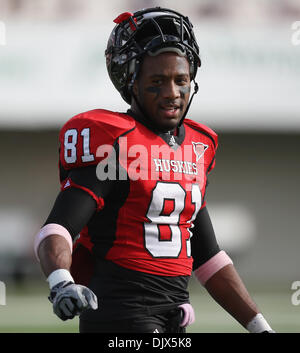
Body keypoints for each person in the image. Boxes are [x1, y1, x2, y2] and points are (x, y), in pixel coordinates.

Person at [34, 7, 274, 333]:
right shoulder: (115, 142)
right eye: (157, 81)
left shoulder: (197, 146)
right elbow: (57, 229)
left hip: (172, 313)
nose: (172, 93)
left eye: (181, 80)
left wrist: (260, 327)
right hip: (119, 311)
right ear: (131, 80)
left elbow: (208, 257)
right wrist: (61, 282)